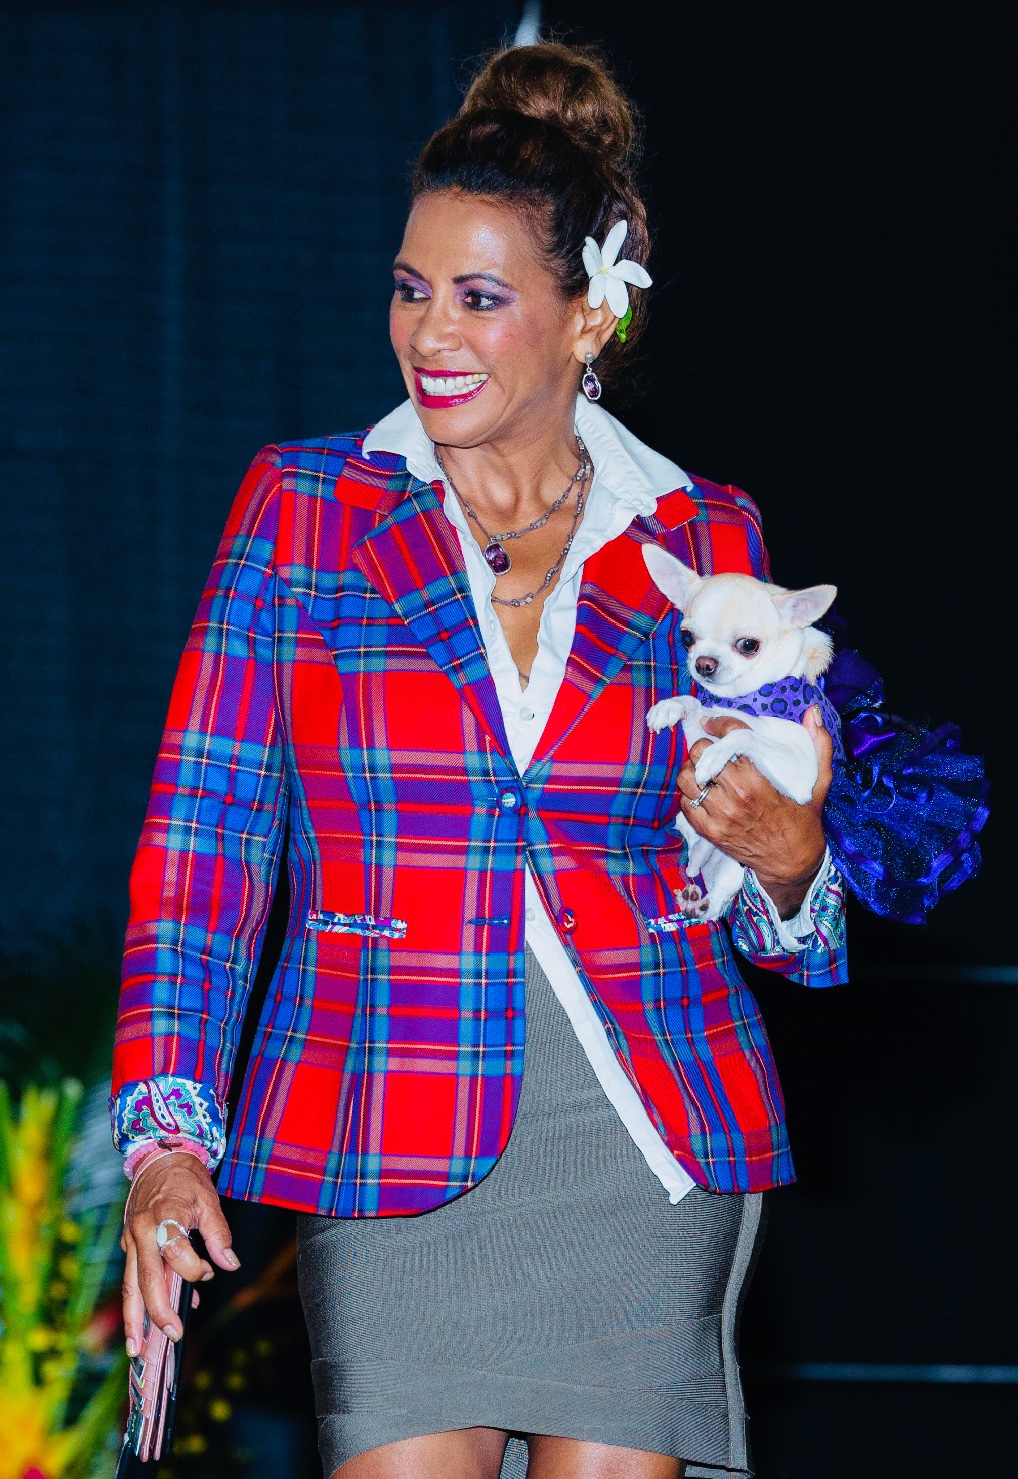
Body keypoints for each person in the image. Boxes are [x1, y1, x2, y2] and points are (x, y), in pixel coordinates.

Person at [112, 42, 848, 1479]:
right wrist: (166, 1142)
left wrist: (793, 864)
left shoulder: (704, 534)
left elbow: (769, 887)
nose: (429, 332)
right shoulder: (305, 510)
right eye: (410, 289)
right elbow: (204, 847)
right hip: (385, 1120)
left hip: (644, 1128)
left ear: (588, 319)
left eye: (478, 297)